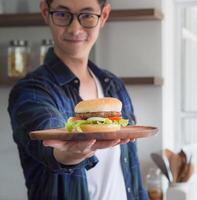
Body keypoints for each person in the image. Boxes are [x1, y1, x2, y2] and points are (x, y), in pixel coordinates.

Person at [7, 0, 148, 199]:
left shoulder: (114, 86)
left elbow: (132, 178)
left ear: (104, 15)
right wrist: (70, 154)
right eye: (63, 14)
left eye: (87, 15)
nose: (75, 28)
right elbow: (48, 140)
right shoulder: (31, 90)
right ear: (45, 12)